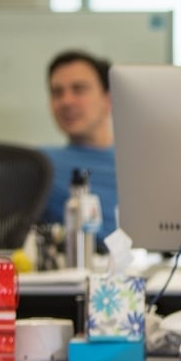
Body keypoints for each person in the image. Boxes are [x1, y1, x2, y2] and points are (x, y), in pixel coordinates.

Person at [39, 50, 118, 250]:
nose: (66, 101)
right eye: (57, 92)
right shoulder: (40, 165)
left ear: (108, 99)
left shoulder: (142, 161)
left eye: (79, 89)